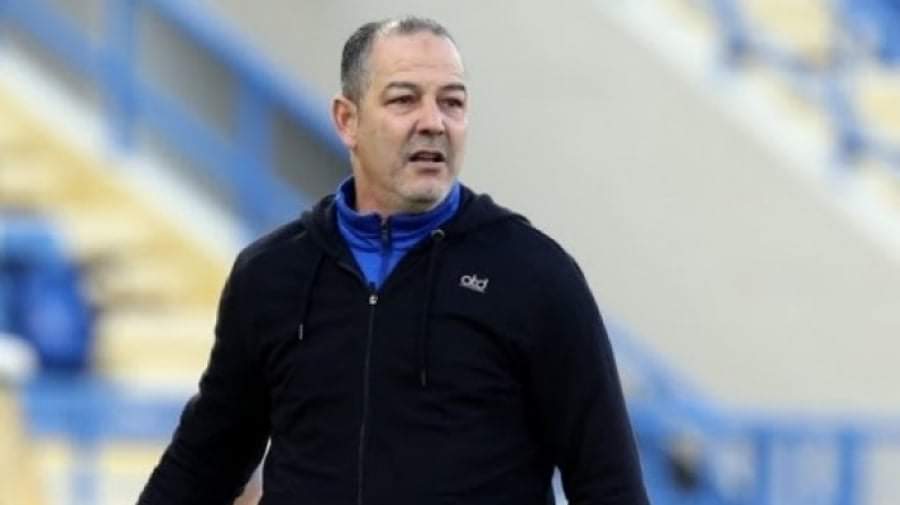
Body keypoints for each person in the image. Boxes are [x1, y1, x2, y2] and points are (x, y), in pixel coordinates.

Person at [138, 16, 649, 505]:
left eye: (452, 103)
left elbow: (610, 486)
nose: (433, 122)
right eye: (405, 100)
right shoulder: (270, 275)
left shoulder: (535, 276)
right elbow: (202, 466)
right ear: (347, 120)